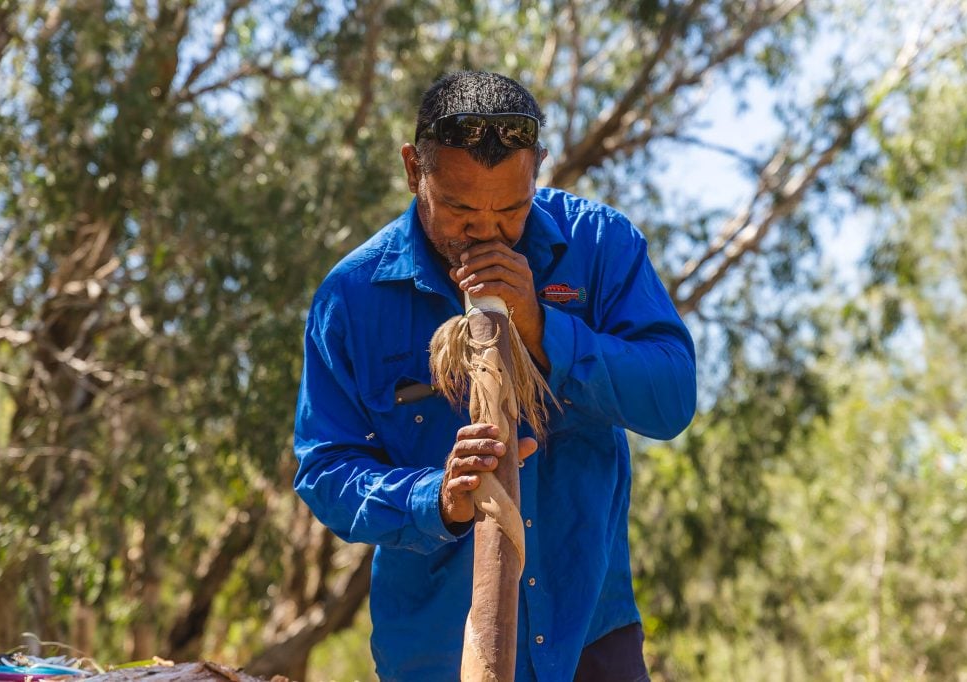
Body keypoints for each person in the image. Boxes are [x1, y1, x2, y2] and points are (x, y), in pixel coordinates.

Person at [294, 71, 696, 681]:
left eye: (511, 208)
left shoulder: (600, 244)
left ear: (538, 168)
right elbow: (323, 468)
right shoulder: (351, 297)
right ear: (412, 170)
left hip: (588, 636)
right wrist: (434, 498)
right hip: (432, 653)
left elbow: (670, 399)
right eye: (457, 208)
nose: (484, 230)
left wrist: (541, 327)